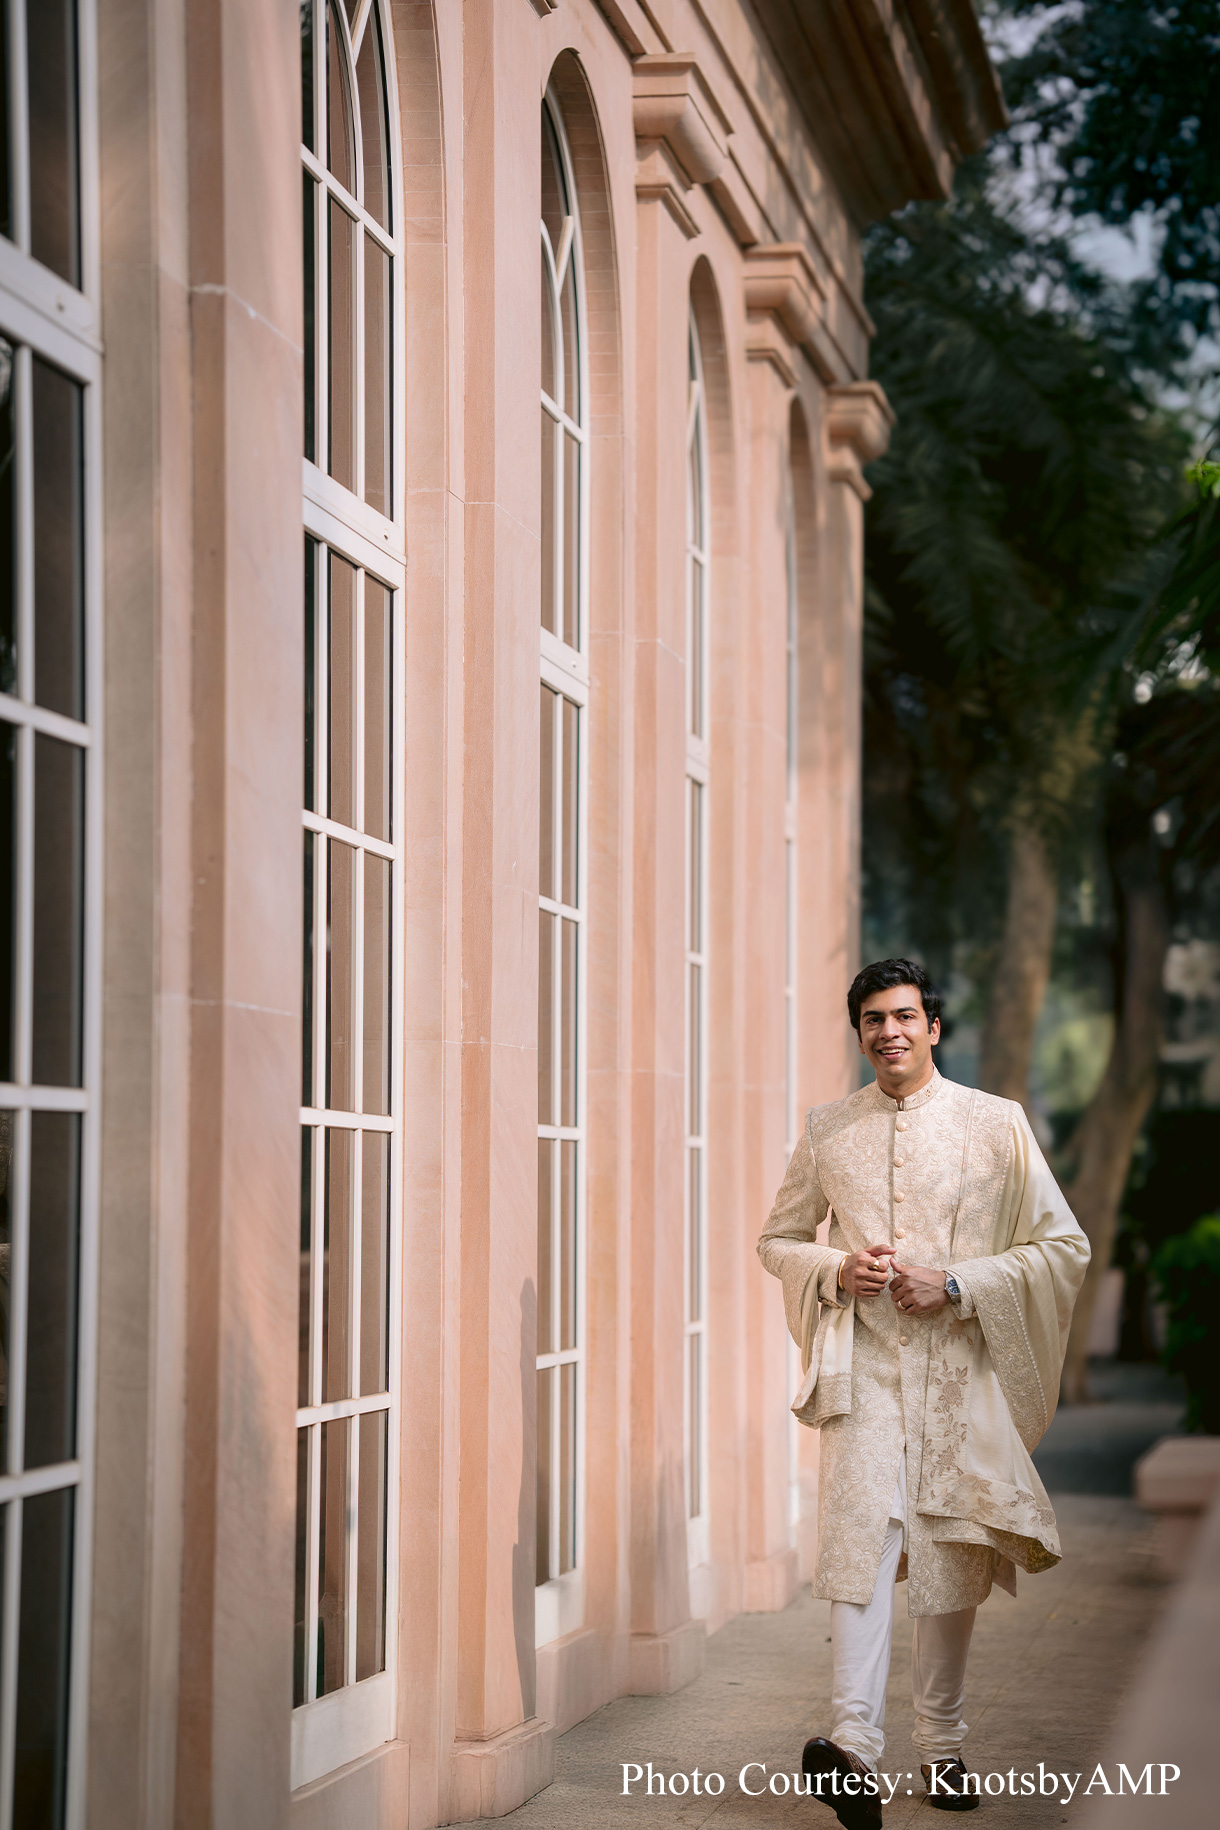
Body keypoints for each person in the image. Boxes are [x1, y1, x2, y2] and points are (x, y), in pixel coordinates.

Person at [757, 959, 1089, 1827]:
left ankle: (941, 1746)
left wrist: (959, 1283)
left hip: (960, 1374)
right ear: (860, 1032)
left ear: (933, 1028)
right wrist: (836, 1268)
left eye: (905, 1016)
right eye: (873, 1019)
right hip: (863, 1372)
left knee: (949, 1551)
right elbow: (777, 1240)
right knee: (860, 1548)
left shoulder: (995, 1122)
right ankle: (854, 1752)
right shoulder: (828, 1129)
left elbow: (1064, 1246)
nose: (889, 1032)